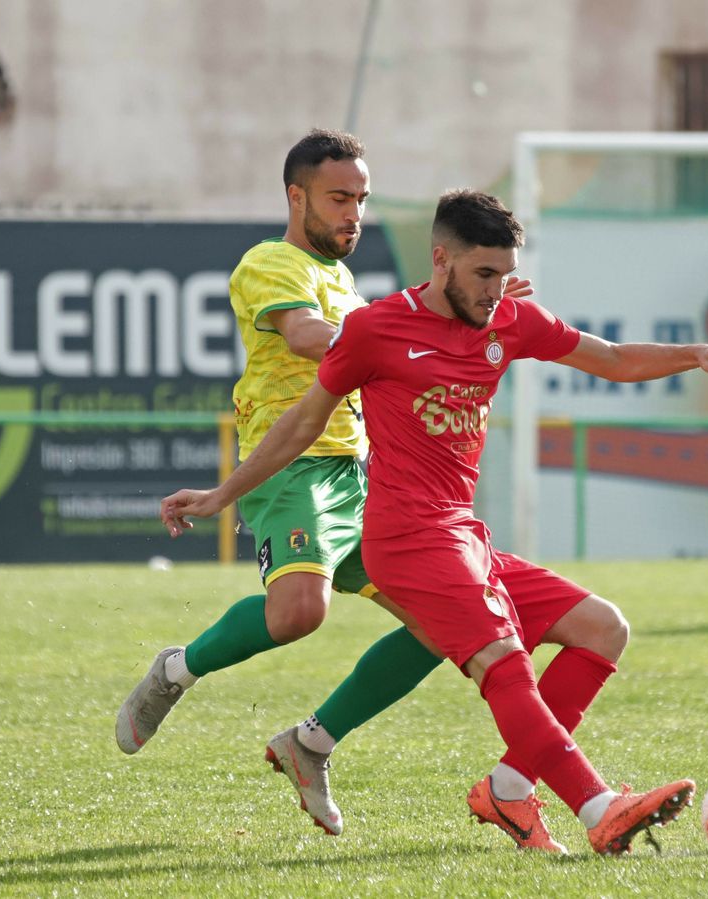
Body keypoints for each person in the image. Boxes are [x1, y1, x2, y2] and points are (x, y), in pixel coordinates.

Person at [161, 189, 708, 856]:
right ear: (440, 260)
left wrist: (695, 352)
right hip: (406, 541)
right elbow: (303, 422)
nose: (497, 292)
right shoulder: (376, 330)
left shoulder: (509, 321)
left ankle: (507, 787)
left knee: (602, 628)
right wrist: (223, 492)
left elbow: (612, 360)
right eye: (483, 275)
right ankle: (599, 806)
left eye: (505, 276)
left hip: (463, 536)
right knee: (502, 660)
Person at [117, 130, 497, 835]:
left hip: (360, 473)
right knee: (299, 611)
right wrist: (401, 342)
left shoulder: (348, 281)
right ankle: (176, 670)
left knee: (443, 624)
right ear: (297, 197)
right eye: (338, 198)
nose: (354, 213)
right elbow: (301, 334)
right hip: (293, 467)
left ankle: (312, 742)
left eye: (360, 199)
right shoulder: (270, 261)